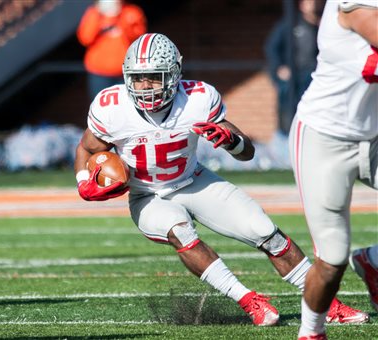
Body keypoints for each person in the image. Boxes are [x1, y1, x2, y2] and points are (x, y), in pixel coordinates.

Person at [74, 33, 367, 327]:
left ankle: (328, 306)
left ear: (174, 74)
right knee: (180, 231)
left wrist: (232, 142)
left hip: (193, 180)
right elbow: (87, 148)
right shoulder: (112, 107)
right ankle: (248, 300)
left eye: (154, 77)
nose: (145, 86)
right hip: (148, 195)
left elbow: (246, 153)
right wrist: (83, 179)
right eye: (138, 78)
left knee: (266, 231)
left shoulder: (198, 99)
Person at [289, 1, 378, 338]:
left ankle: (373, 261)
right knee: (332, 258)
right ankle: (311, 331)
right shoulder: (355, 3)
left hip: (374, 134)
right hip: (325, 138)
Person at [265, 0, 324, 138]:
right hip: (295, 77)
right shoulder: (290, 24)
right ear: (302, 6)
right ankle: (285, 135)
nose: (314, 5)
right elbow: (272, 47)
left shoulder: (323, 25)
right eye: (310, 2)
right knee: (289, 107)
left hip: (316, 76)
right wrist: (279, 68)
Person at [77, 0, 147, 101]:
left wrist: (118, 17)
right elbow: (85, 38)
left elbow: (138, 39)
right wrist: (98, 14)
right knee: (100, 106)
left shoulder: (132, 11)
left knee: (127, 106)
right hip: (99, 73)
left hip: (125, 73)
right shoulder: (94, 13)